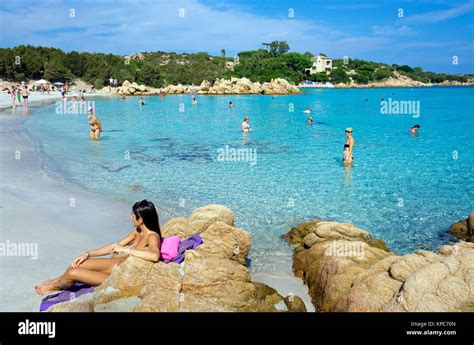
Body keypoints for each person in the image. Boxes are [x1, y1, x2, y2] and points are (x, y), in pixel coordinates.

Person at [35, 200, 162, 295]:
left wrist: (126, 250)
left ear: (140, 220)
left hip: (119, 275)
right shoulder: (137, 232)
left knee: (73, 273)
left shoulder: (152, 236)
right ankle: (58, 280)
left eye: (133, 215)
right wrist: (88, 254)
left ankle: (57, 286)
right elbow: (114, 246)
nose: (130, 217)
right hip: (112, 264)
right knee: (78, 262)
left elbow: (155, 255)